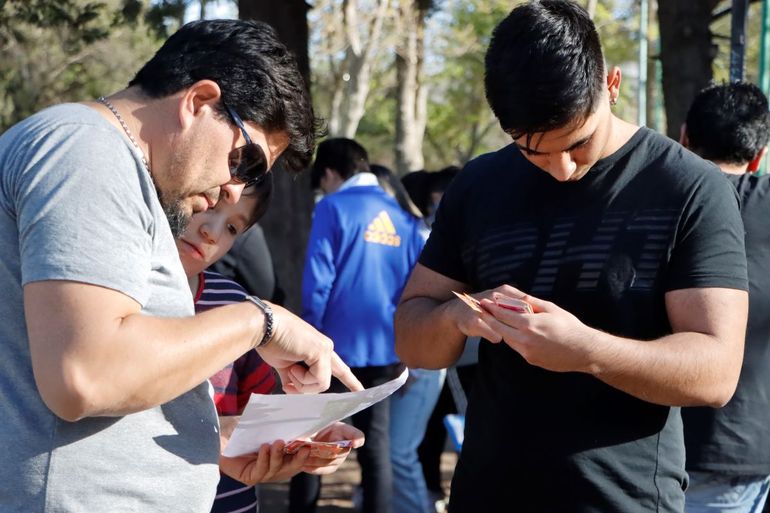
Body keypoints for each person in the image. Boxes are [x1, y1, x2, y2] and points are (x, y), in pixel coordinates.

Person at [394, 2, 749, 512]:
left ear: (612, 85)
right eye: (531, 150)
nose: (560, 170)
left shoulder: (689, 187)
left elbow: (716, 372)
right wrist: (458, 316)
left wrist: (587, 350)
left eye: (578, 144)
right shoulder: (478, 184)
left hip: (621, 500)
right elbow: (412, 337)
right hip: (486, 494)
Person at [0, 19, 363, 512]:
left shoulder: (109, 163)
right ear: (199, 102)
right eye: (247, 161)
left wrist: (215, 439)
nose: (237, 189)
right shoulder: (87, 150)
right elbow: (84, 375)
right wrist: (259, 321)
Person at [289, 139, 425, 513]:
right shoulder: (405, 218)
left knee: (310, 441)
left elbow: (318, 282)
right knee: (375, 447)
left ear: (331, 173)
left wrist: (307, 343)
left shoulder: (332, 208)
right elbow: (416, 290)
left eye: (323, 182)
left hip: (331, 349)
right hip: (386, 349)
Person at [679, 82, 770, 513]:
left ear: (683, 138)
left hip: (669, 444)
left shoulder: (657, 198)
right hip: (751, 447)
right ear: (758, 155)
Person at [370, 163, 445, 513]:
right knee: (394, 449)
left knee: (399, 451)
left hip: (419, 361)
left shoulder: (419, 237)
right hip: (404, 359)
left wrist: (410, 358)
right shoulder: (409, 236)